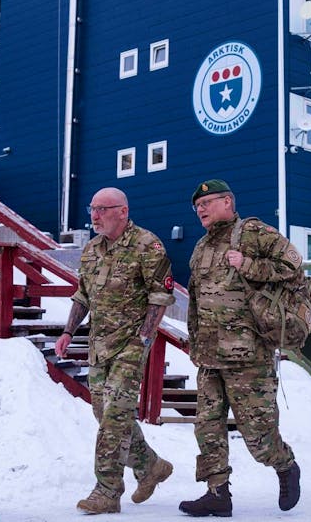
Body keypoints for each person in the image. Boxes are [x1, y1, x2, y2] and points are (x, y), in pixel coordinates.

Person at [179, 179, 302, 517]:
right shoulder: (201, 248)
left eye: (208, 202)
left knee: (258, 435)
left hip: (248, 356)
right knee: (208, 428)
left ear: (229, 201)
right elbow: (195, 301)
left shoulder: (253, 232)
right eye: (197, 206)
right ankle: (217, 493)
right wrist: (194, 341)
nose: (201, 209)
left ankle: (285, 465)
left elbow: (293, 265)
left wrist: (249, 265)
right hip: (208, 356)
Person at [56, 187, 176, 514]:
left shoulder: (147, 245)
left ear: (122, 211)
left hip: (130, 347)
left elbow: (160, 297)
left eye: (102, 209)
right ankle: (150, 465)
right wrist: (68, 331)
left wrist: (143, 340)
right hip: (99, 345)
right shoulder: (92, 249)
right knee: (103, 412)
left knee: (114, 416)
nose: (94, 216)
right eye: (92, 209)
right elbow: (83, 295)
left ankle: (107, 490)